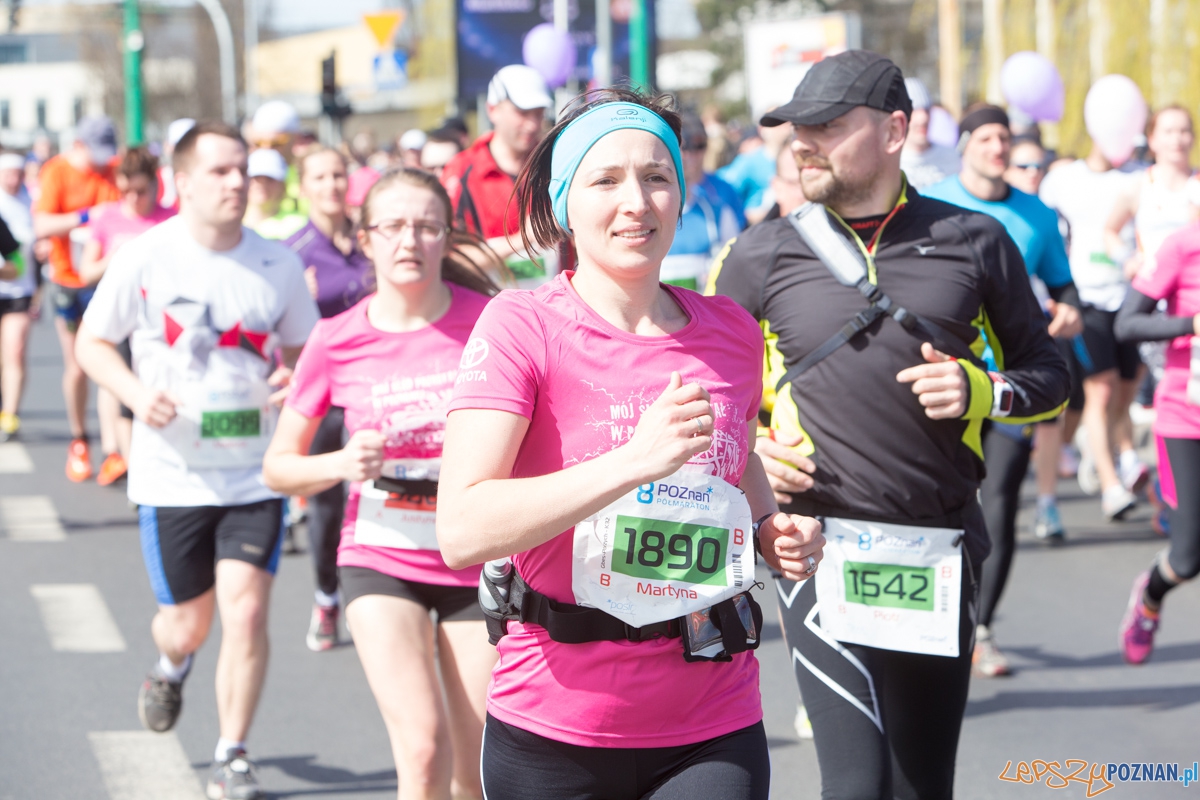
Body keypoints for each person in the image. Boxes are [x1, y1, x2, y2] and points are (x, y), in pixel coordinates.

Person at [438, 86, 824, 800]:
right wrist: (633, 463)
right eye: (605, 180)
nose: (636, 202)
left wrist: (771, 527)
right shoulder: (521, 325)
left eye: (656, 177)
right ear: (563, 204)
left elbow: (730, 466)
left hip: (714, 714)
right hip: (555, 726)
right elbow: (462, 530)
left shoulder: (732, 331)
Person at [710, 51, 1069, 798]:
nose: (802, 143)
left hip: (937, 546)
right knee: (854, 783)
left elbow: (1051, 378)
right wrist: (752, 454)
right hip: (817, 545)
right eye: (795, 129)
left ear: (896, 129)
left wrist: (983, 392)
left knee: (919, 785)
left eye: (827, 127)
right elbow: (705, 391)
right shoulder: (763, 251)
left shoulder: (975, 240)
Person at [74, 121, 319, 800]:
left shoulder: (275, 264)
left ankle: (232, 751)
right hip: (172, 474)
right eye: (219, 171)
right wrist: (130, 394)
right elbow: (93, 343)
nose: (237, 182)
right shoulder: (147, 258)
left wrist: (294, 381)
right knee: (188, 624)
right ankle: (170, 664)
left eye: (242, 169)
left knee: (245, 613)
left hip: (253, 471)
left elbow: (307, 357)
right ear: (182, 183)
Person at [264, 167, 500, 800]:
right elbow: (278, 465)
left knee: (475, 768)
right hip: (380, 556)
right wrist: (339, 464)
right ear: (364, 238)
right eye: (393, 226)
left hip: (472, 558)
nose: (409, 241)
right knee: (422, 747)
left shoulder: (493, 324)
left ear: (446, 238)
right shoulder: (336, 339)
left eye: (426, 226)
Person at [924, 105, 1082, 678]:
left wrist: (1068, 312)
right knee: (944, 501)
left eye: (1005, 138)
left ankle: (981, 628)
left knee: (1001, 506)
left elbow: (1066, 288)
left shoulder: (1037, 215)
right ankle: (935, 620)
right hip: (947, 381)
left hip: (1012, 382)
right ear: (965, 144)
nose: (998, 147)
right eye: (988, 137)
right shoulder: (931, 203)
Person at [282, 147, 374, 651]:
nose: (332, 185)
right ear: (305, 185)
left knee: (386, 491)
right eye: (320, 176)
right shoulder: (293, 251)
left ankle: (392, 594)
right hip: (322, 395)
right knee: (327, 505)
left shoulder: (369, 238)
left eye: (338, 174)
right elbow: (278, 333)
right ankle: (325, 596)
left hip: (376, 387)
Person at [1040, 113, 1148, 519]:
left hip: (1132, 299)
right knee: (1100, 391)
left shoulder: (1141, 177)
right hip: (1085, 298)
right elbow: (1045, 230)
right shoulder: (1064, 180)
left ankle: (1104, 452)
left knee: (1123, 392)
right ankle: (1111, 484)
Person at [1114, 216, 1200, 665]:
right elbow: (1127, 324)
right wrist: (1191, 322)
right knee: (1188, 558)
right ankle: (1149, 597)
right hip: (1186, 420)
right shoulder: (1184, 245)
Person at [77, 147, 176, 487]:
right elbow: (86, 270)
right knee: (123, 392)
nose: (134, 199)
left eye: (142, 191)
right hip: (120, 318)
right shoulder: (108, 219)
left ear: (156, 186)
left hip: (163, 322)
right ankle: (132, 467)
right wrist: (117, 259)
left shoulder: (171, 219)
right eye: (126, 191)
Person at [33, 115, 121, 482]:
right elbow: (42, 225)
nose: (102, 161)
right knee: (77, 365)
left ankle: (114, 449)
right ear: (79, 145)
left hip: (105, 279)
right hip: (68, 280)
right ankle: (79, 438)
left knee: (110, 362)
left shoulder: (113, 171)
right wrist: (87, 217)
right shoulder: (56, 172)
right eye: (95, 153)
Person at [442, 65, 555, 285]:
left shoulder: (556, 162)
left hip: (555, 308)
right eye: (522, 113)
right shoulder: (461, 171)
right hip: (484, 308)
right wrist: (523, 240)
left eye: (539, 113)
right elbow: (449, 259)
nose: (532, 124)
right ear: (492, 110)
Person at [660, 112, 744, 290]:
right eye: (684, 147)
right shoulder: (646, 204)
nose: (690, 155)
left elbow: (736, 254)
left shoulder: (721, 196)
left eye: (699, 146)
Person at [0, 152, 38, 442]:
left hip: (19, 292)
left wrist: (38, 290)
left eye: (18, 174)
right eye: (8, 174)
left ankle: (10, 413)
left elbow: (24, 261)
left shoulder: (31, 204)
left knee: (14, 350)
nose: (13, 180)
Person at [717, 117, 792, 224]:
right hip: (759, 231)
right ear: (762, 129)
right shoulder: (748, 162)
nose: (784, 128)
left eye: (787, 123)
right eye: (777, 124)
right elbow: (726, 195)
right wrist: (753, 215)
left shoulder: (795, 162)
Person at [899, 77, 961, 189]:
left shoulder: (952, 157)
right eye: (914, 111)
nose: (923, 118)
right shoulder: (893, 161)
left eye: (927, 110)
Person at [248, 100, 306, 217]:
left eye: (276, 143)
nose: (267, 149)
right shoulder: (243, 176)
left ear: (295, 139)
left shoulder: (308, 177)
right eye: (258, 143)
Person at [243, 148, 307, 240]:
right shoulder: (229, 223)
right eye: (256, 177)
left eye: (270, 179)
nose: (262, 184)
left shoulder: (299, 225)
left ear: (283, 186)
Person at [158, 118, 195, 210]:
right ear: (167, 147)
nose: (184, 151)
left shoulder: (210, 178)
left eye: (190, 145)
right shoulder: (156, 178)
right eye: (179, 146)